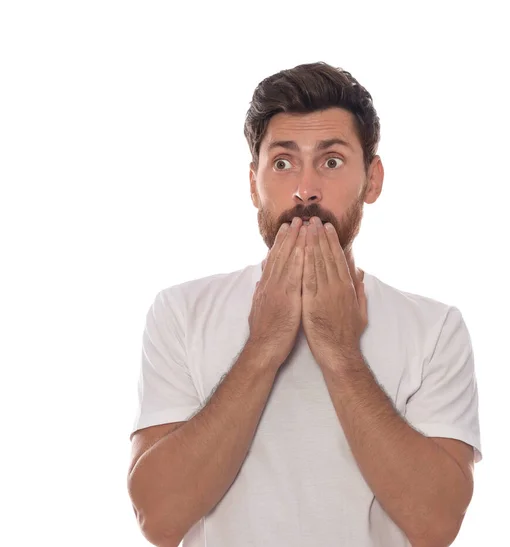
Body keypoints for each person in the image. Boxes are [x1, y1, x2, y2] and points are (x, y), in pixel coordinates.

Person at [127, 61, 483, 547]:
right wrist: (264, 344)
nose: (305, 189)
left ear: (372, 180)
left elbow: (436, 524)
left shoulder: (435, 328)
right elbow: (158, 518)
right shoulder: (180, 312)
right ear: (253, 183)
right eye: (282, 162)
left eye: (331, 161)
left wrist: (340, 351)